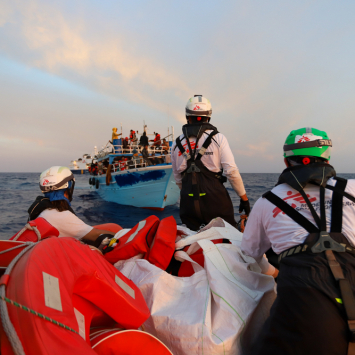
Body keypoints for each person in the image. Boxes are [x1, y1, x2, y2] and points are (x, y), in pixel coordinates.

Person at [241, 127, 355, 355]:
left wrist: (273, 272)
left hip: (305, 308)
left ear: (286, 162)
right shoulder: (352, 188)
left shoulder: (267, 201)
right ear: (327, 157)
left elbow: (249, 254)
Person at [171, 95, 250, 231]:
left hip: (188, 204)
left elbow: (178, 178)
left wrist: (189, 193)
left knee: (194, 243)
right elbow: (231, 172)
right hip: (216, 201)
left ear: (187, 116)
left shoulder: (176, 144)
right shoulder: (218, 138)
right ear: (208, 116)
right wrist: (244, 199)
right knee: (226, 240)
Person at [28, 166, 115, 244]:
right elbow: (95, 234)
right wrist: (123, 235)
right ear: (67, 188)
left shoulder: (42, 210)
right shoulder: (60, 215)